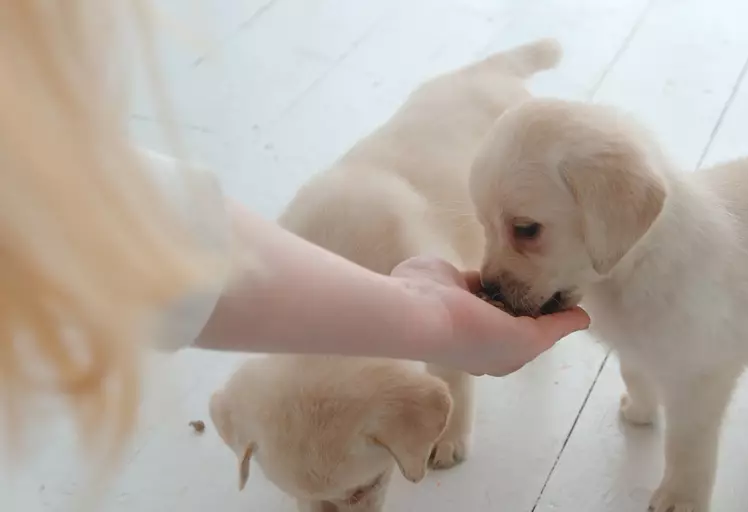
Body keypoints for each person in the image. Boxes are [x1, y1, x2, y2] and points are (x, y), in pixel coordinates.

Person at [0, 0, 588, 474]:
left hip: (472, 111)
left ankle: (513, 65)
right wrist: (438, 324)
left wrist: (444, 338)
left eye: (355, 496)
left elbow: (135, 225)